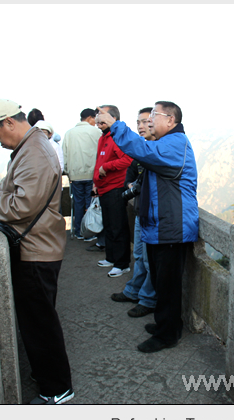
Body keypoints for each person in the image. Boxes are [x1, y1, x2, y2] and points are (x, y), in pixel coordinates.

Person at [0, 98, 74, 404]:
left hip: (35, 250)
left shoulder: (34, 153)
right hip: (39, 245)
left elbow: (23, 205)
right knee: (37, 319)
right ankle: (46, 374)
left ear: (9, 123)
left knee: (40, 323)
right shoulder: (31, 147)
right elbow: (22, 193)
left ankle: (57, 388)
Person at [95, 101, 198, 353]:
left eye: (154, 115)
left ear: (170, 120)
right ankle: (167, 324)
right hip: (160, 225)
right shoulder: (164, 143)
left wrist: (116, 125)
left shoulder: (176, 143)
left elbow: (141, 150)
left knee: (168, 284)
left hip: (172, 227)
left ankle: (168, 334)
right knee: (163, 283)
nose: (150, 120)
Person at [111, 107, 157, 318]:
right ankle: (134, 291)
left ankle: (148, 299)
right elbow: (129, 177)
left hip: (151, 215)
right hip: (140, 212)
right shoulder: (140, 154)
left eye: (146, 121)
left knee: (148, 259)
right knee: (138, 255)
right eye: (138, 122)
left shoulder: (155, 152)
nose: (141, 126)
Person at [93, 105, 132, 278]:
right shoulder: (104, 138)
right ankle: (111, 257)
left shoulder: (117, 137)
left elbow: (127, 159)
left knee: (118, 227)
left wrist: (106, 168)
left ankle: (122, 264)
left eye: (101, 119)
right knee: (108, 225)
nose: (98, 123)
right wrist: (96, 181)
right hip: (103, 187)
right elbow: (99, 160)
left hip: (115, 187)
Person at [62, 108, 103, 242]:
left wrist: (68, 171)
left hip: (75, 176)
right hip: (92, 176)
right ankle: (90, 232)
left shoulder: (69, 134)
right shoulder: (96, 132)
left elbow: (64, 155)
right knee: (90, 203)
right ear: (91, 118)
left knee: (78, 203)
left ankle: (79, 231)